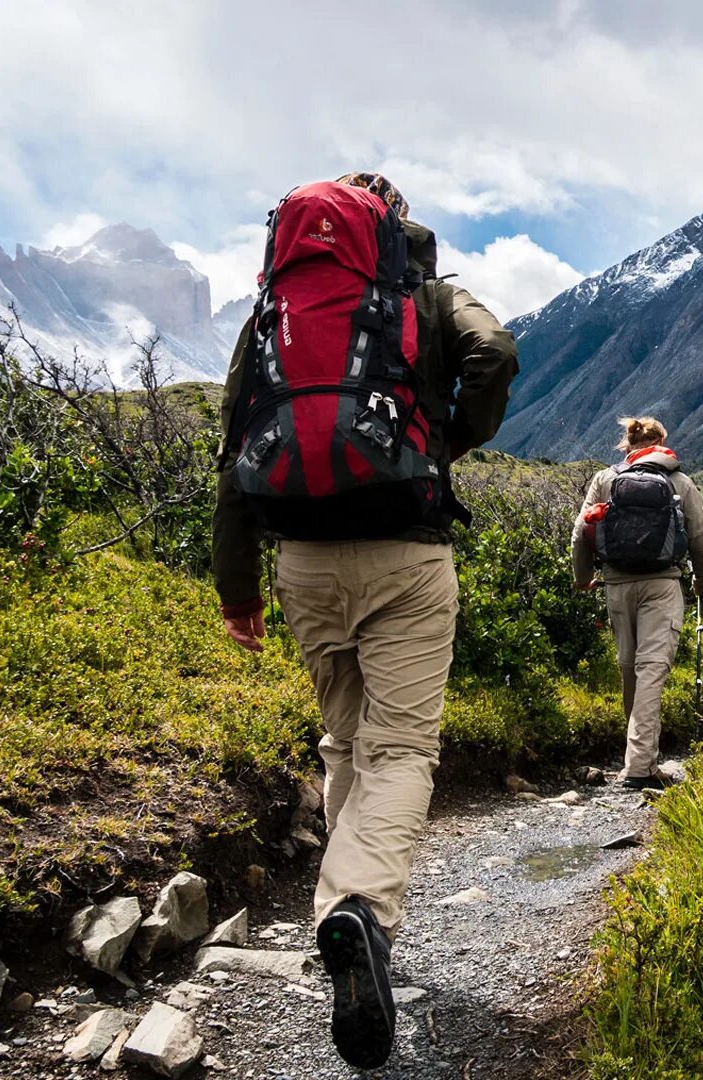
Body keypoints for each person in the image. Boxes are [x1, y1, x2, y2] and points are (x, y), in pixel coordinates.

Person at [212, 172, 517, 1068]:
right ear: (393, 227)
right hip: (406, 551)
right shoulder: (424, 295)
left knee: (344, 741)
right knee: (403, 750)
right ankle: (361, 913)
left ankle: (341, 913)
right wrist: (450, 437)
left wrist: (238, 588)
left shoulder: (275, 312)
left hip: (302, 559)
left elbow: (236, 442)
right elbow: (495, 354)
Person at [573, 416, 703, 790]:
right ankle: (639, 767)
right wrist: (702, 585)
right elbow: (701, 542)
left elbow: (579, 533)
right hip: (662, 585)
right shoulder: (680, 482)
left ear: (628, 444)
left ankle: (636, 757)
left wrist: (583, 577)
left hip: (617, 585)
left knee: (629, 668)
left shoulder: (606, 480)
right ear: (662, 442)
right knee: (652, 669)